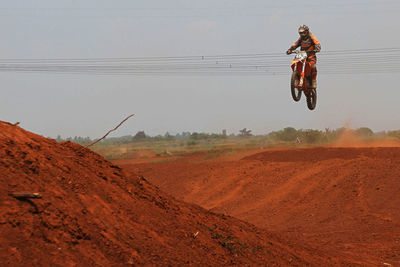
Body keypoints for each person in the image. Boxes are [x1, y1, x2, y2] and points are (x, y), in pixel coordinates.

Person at [286, 25, 321, 89]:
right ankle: (296, 78)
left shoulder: (311, 37)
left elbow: (317, 43)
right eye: (300, 33)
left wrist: (317, 48)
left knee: (313, 66)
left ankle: (313, 80)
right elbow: (295, 44)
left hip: (311, 54)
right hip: (302, 54)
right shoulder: (301, 39)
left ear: (307, 32)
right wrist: (290, 49)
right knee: (294, 64)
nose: (302, 34)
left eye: (303, 32)